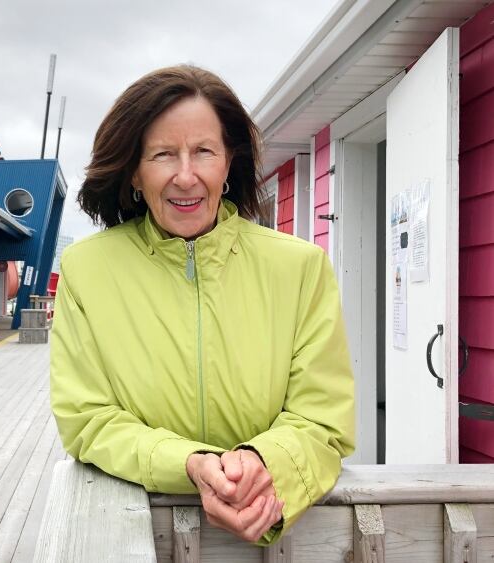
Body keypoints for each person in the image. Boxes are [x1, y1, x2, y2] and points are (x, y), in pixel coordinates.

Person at [50, 64, 354, 545]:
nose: (186, 176)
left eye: (204, 152)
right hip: (133, 538)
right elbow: (87, 419)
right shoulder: (86, 270)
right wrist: (189, 464)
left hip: (274, 531)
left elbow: (322, 421)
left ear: (228, 163)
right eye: (163, 154)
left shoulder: (300, 268)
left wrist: (262, 463)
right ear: (134, 170)